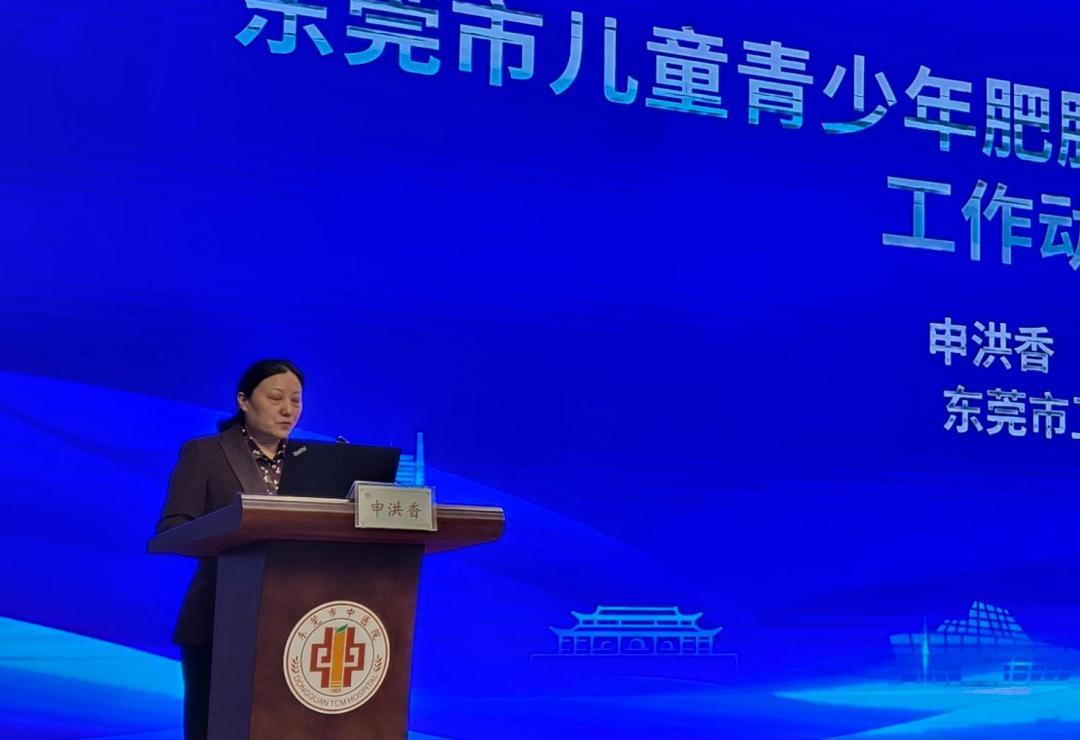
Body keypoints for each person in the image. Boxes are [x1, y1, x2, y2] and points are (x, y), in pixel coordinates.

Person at [156, 359, 304, 740]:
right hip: (218, 616)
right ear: (243, 400)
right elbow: (173, 527)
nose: (288, 410)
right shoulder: (205, 453)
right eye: (276, 398)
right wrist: (236, 530)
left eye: (296, 400)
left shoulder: (309, 462)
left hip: (295, 623)